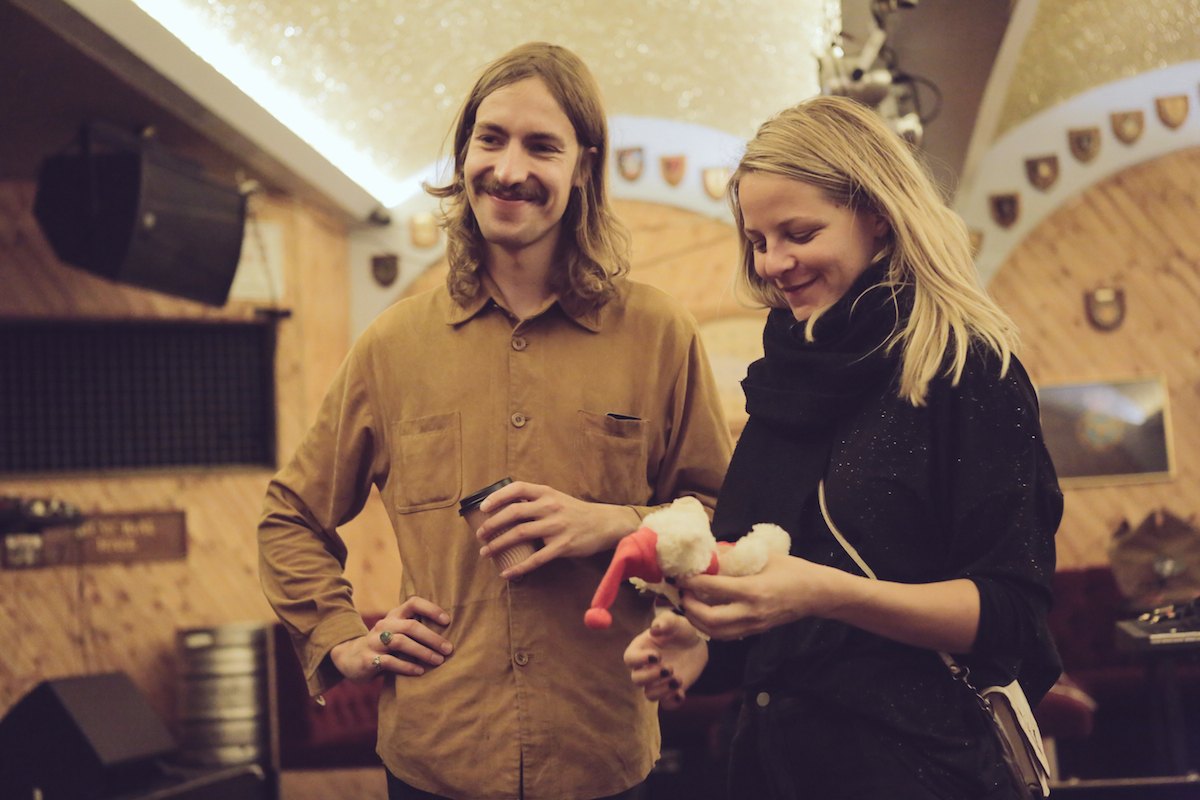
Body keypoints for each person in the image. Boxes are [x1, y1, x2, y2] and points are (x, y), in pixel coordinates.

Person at [258, 42, 733, 800]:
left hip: (599, 757)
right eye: (491, 139)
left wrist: (613, 522)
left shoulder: (658, 333)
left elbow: (718, 515)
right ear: (464, 154)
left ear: (584, 167)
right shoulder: (393, 344)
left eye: (542, 145)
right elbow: (289, 516)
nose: (509, 170)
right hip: (436, 755)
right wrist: (342, 639)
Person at [625, 95, 1063, 800]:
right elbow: (769, 612)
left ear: (878, 215)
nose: (773, 263)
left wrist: (824, 593)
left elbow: (1010, 615)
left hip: (924, 772)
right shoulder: (783, 379)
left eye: (798, 233)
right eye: (757, 240)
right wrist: (702, 648)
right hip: (772, 770)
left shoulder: (967, 369)